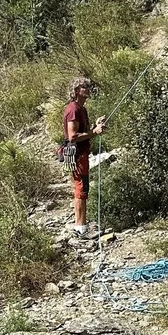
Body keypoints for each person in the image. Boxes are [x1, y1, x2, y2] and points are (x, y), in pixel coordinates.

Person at [63, 77, 107, 238]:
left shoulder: (82, 109)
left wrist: (95, 126)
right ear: (76, 91)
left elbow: (85, 132)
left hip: (82, 154)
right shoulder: (73, 109)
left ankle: (81, 224)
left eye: (88, 86)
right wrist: (94, 132)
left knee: (83, 187)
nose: (87, 89)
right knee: (81, 188)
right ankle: (80, 227)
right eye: (84, 87)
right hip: (77, 154)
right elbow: (72, 136)